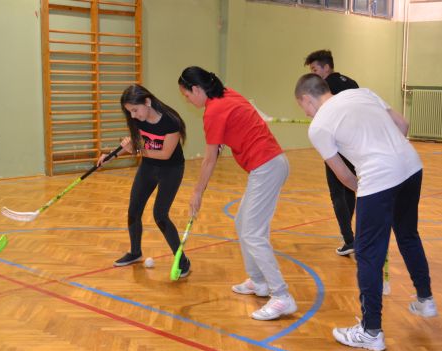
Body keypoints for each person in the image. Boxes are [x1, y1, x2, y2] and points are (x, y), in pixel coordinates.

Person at [294, 74, 437, 351]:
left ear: (307, 99)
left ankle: (371, 332)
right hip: (411, 166)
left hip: (379, 178)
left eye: (303, 107)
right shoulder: (364, 93)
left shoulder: (319, 126)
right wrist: (391, 160)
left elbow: (344, 175)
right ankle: (425, 299)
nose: (307, 113)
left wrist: (370, 187)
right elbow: (403, 124)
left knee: (368, 254)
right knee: (408, 235)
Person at [178, 66, 297, 321]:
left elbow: (209, 159)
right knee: (243, 223)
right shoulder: (227, 93)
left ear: (196, 89)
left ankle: (281, 296)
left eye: (186, 95)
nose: (187, 100)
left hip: (267, 166)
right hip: (269, 164)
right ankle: (258, 281)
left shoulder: (213, 111)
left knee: (253, 233)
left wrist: (197, 193)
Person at [98, 84, 190, 278]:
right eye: (129, 112)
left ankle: (182, 261)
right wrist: (111, 156)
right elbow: (134, 142)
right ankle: (135, 252)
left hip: (171, 170)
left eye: (135, 110)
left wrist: (138, 150)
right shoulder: (138, 120)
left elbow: (165, 154)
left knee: (160, 215)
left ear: (147, 102)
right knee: (134, 210)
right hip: (148, 167)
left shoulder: (170, 121)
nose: (133, 116)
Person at [304, 50, 358, 256]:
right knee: (349, 187)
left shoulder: (323, 89)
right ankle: (350, 236)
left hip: (336, 146)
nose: (313, 74)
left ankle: (349, 239)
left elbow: (322, 116)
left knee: (337, 192)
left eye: (315, 69)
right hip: (353, 145)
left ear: (326, 67)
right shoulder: (352, 83)